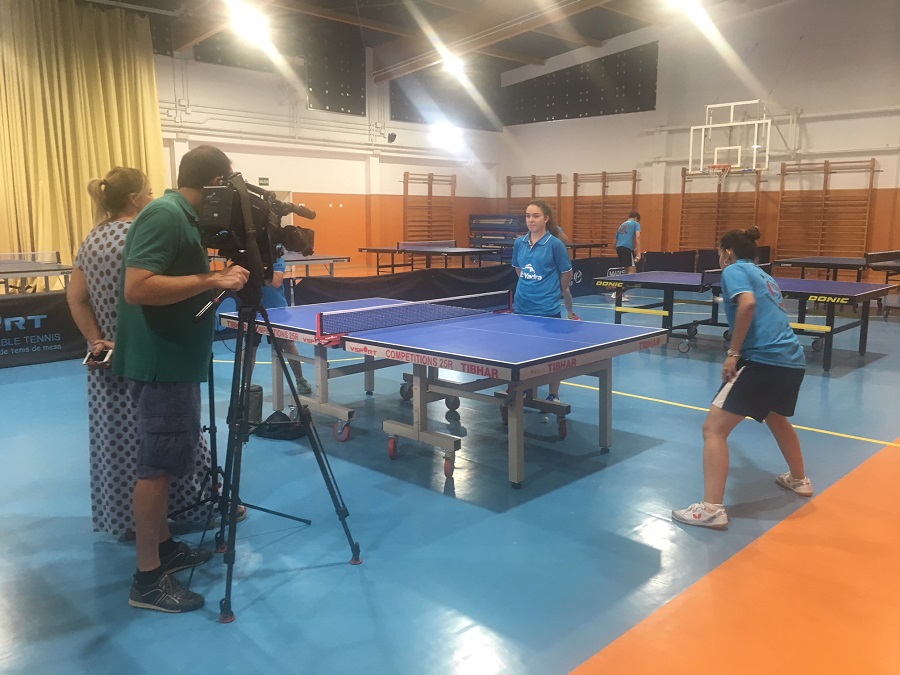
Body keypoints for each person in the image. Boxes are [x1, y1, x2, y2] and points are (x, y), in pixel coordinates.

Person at [113, 145, 250, 612]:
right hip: (162, 365)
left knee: (167, 463)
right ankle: (146, 580)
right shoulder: (165, 215)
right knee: (156, 469)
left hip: (174, 362)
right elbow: (138, 286)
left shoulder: (183, 218)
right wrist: (212, 280)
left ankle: (165, 548)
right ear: (214, 183)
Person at [67, 167, 219, 541]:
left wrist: (96, 340)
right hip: (152, 356)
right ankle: (185, 514)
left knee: (119, 444)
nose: (154, 198)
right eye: (149, 192)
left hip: (109, 360)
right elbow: (149, 288)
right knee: (165, 445)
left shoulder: (93, 240)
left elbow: (76, 297)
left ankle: (130, 524)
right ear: (135, 199)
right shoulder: (146, 232)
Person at [672, 226, 813, 530]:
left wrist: (734, 352)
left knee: (713, 429)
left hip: (764, 359)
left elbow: (747, 304)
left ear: (728, 251)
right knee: (776, 417)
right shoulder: (765, 275)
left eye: (719, 251)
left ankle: (711, 509)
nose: (720, 256)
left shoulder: (734, 270)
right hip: (792, 359)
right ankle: (799, 480)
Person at [511, 199, 574, 402]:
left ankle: (553, 394)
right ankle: (523, 389)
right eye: (528, 216)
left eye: (536, 216)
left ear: (546, 218)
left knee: (551, 355)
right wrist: (529, 284)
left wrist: (558, 289)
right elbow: (518, 268)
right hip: (521, 306)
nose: (531, 220)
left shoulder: (555, 244)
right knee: (520, 352)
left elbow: (567, 272)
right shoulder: (519, 243)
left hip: (546, 308)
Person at [246, 251, 312, 396]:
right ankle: (245, 385)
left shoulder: (276, 259)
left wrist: (256, 271)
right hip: (253, 308)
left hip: (276, 311)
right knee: (250, 348)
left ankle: (300, 380)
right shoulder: (247, 260)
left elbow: (276, 282)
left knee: (288, 344)